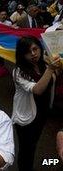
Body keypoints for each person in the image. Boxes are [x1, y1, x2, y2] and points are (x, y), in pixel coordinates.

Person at [12, 36, 62, 171]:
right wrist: (51, 69)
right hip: (25, 117)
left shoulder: (44, 64)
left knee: (33, 144)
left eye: (35, 49)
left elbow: (54, 79)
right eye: (28, 52)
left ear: (40, 48)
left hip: (41, 113)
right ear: (22, 54)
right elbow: (38, 90)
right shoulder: (18, 72)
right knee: (26, 148)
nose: (33, 54)